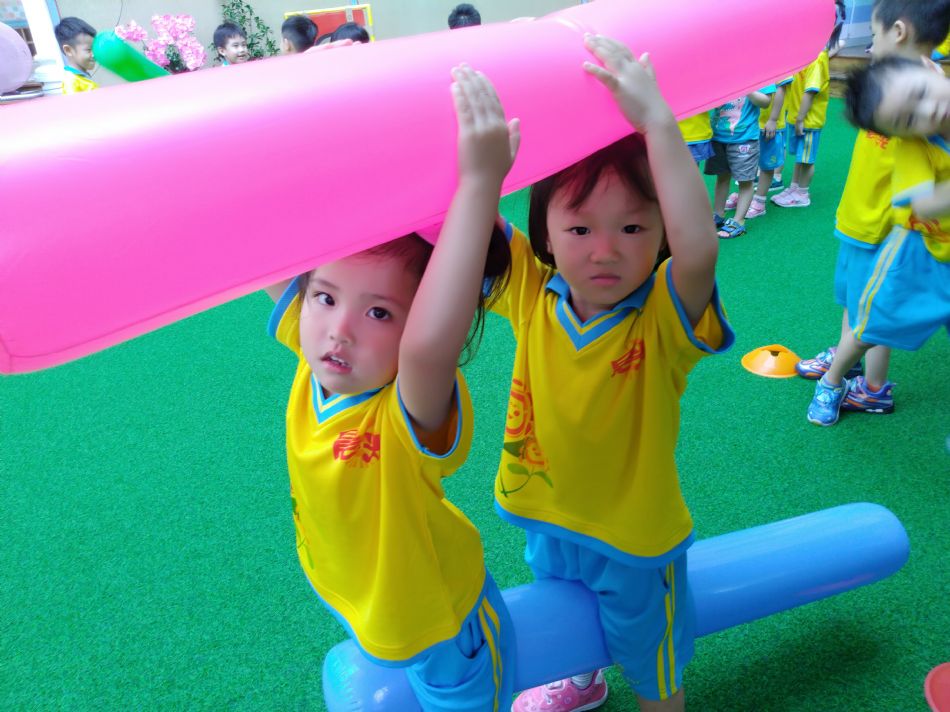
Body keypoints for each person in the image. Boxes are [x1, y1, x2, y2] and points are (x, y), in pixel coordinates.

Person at [265, 64, 520, 710]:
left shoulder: (406, 405)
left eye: (379, 312)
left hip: (445, 622)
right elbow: (258, 242)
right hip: (369, 596)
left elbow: (431, 344)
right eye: (325, 297)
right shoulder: (315, 353)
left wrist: (479, 184)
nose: (339, 330)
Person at [497, 34, 733, 712]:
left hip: (635, 540)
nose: (605, 251)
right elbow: (462, 220)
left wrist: (658, 123)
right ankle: (581, 677)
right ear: (546, 236)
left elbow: (699, 251)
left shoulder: (662, 315)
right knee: (567, 619)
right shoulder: (530, 289)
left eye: (632, 229)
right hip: (547, 517)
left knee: (651, 656)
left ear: (661, 234)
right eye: (580, 231)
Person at [796, 0, 949, 421]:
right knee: (858, 304)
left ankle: (869, 384)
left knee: (870, 314)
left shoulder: (913, 96)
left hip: (882, 228)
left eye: (875, 35)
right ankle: (855, 368)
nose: (869, 47)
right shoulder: (893, 89)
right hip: (860, 220)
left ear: (898, 32)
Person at [723, 78, 793, 220]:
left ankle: (759, 200)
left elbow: (781, 89)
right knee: (747, 161)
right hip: (748, 124)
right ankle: (744, 195)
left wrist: (773, 119)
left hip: (767, 125)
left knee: (767, 164)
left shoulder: (777, 67)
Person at [770, 47, 830, 208]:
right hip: (796, 116)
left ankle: (802, 194)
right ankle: (794, 187)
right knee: (800, 156)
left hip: (808, 120)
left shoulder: (816, 58)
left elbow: (811, 91)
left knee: (807, 159)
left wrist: (800, 119)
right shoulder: (803, 55)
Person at [706, 91, 770, 238]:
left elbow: (766, 102)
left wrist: (747, 88)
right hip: (719, 136)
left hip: (744, 139)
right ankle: (718, 214)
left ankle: (738, 221)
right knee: (722, 176)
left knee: (745, 181)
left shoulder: (755, 78)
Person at [55, 17, 97, 94]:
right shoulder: (71, 82)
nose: (94, 55)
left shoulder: (81, 77)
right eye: (88, 50)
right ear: (68, 50)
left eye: (95, 49)